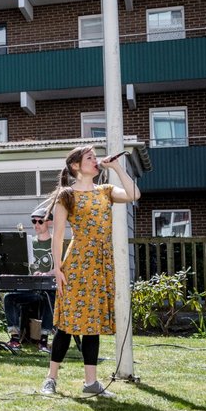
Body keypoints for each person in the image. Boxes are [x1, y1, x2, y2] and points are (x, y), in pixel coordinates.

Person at [40, 146, 140, 397]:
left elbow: (134, 193)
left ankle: (91, 383)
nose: (96, 161)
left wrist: (116, 167)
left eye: (96, 158)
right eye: (90, 158)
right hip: (76, 262)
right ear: (75, 166)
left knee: (92, 324)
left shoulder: (105, 191)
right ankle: (51, 379)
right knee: (67, 323)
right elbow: (59, 234)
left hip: (101, 264)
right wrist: (57, 267)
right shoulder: (67, 195)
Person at [4, 208, 55, 353]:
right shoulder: (29, 243)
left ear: (49, 222)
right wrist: (11, 274)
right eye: (34, 221)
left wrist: (46, 274)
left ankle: (44, 340)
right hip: (30, 288)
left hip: (47, 288)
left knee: (50, 296)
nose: (36, 224)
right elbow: (21, 266)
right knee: (9, 298)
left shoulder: (55, 242)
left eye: (40, 221)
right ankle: (15, 339)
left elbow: (60, 268)